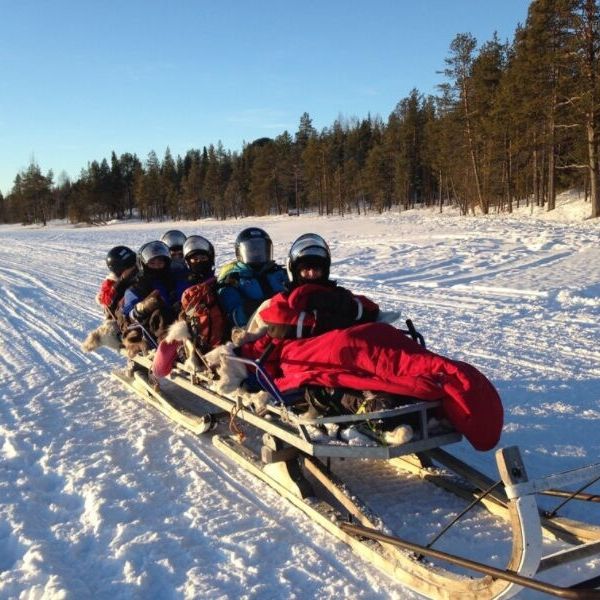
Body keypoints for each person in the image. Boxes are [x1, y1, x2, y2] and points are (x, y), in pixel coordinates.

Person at [206, 234, 504, 452]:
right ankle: (386, 402)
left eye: (317, 269)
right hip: (309, 355)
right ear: (294, 270)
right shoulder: (282, 301)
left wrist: (338, 310)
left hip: (349, 345)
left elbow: (369, 310)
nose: (311, 274)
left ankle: (432, 393)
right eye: (306, 269)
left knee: (397, 354)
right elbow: (268, 329)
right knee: (357, 357)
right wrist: (240, 359)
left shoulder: (341, 297)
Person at [152, 235, 226, 377]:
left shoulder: (216, 280)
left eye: (202, 259)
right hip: (187, 325)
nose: (198, 262)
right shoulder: (181, 281)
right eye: (194, 260)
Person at [120, 240, 191, 355]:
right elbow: (127, 317)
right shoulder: (137, 287)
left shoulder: (172, 279)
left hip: (179, 320)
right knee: (161, 314)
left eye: (160, 262)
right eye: (152, 263)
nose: (157, 266)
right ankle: (174, 350)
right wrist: (142, 308)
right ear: (143, 264)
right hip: (152, 328)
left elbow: (185, 293)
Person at [217, 227, 288, 332]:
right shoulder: (233, 279)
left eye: (260, 249)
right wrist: (264, 307)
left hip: (287, 324)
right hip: (253, 332)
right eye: (252, 250)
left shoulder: (277, 272)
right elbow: (234, 317)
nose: (257, 253)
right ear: (240, 252)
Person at [96, 245, 138, 318]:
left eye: (134, 261)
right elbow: (106, 301)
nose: (134, 266)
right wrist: (121, 281)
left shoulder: (140, 274)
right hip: (122, 320)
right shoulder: (110, 282)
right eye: (130, 264)